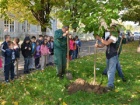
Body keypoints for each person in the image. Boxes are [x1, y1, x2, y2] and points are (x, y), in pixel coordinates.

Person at [95, 25, 119, 90]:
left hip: (113, 55)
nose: (110, 30)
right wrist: (98, 46)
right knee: (109, 70)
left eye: (112, 29)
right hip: (108, 55)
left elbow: (107, 43)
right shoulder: (108, 36)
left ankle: (110, 85)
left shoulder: (114, 36)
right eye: (110, 29)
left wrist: (99, 38)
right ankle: (110, 83)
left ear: (114, 30)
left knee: (111, 70)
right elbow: (103, 44)